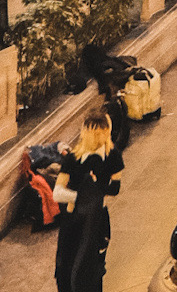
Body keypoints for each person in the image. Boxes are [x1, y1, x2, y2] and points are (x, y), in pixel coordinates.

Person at [53, 108, 124, 292]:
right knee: (65, 268)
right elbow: (57, 192)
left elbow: (115, 188)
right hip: (73, 219)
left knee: (92, 270)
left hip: (96, 221)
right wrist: (81, 197)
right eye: (94, 134)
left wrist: (97, 186)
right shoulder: (73, 159)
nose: (98, 139)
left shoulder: (113, 156)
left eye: (102, 134)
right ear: (85, 133)